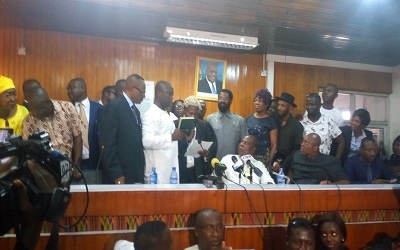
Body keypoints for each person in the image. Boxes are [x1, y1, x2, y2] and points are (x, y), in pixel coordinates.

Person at [22, 87, 83, 180]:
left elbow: (78, 137)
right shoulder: (28, 121)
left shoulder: (68, 108)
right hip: (46, 168)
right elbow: (28, 150)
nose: (35, 112)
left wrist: (76, 166)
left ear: (47, 102)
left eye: (37, 108)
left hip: (68, 162)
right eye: (32, 108)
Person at [101, 74, 146, 184]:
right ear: (132, 88)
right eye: (142, 91)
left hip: (134, 172)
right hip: (120, 174)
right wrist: (116, 174)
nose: (144, 96)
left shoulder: (135, 111)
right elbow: (108, 144)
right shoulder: (114, 107)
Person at [142, 81, 185, 184]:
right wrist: (171, 137)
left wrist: (183, 136)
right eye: (169, 93)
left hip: (169, 171)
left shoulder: (166, 115)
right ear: (159, 93)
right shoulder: (150, 114)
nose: (172, 97)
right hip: (156, 175)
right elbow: (146, 142)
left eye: (172, 94)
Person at [67, 78, 103, 184]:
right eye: (67, 89)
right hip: (73, 163)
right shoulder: (67, 109)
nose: (69, 91)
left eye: (71, 88)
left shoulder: (99, 109)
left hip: (95, 162)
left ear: (82, 88)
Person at [176, 95, 217, 183]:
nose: (193, 117)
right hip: (180, 169)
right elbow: (171, 146)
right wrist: (186, 141)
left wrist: (207, 152)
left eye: (195, 114)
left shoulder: (204, 126)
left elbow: (213, 144)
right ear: (184, 110)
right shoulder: (175, 125)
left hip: (197, 171)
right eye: (190, 113)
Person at [301, 93, 345, 160]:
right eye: (308, 104)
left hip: (324, 163)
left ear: (319, 105)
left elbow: (341, 141)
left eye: (312, 105)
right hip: (304, 162)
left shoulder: (328, 122)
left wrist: (336, 160)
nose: (309, 107)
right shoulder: (301, 123)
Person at [206, 89, 248, 160]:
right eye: (220, 98)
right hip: (213, 162)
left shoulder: (240, 121)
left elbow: (245, 144)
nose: (222, 101)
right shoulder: (209, 119)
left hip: (233, 163)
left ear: (231, 101)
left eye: (225, 99)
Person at [245, 88, 278, 166]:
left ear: (266, 104)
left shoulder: (271, 121)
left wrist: (269, 162)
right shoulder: (248, 118)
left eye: (260, 101)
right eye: (255, 100)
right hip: (248, 155)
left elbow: (274, 145)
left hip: (263, 158)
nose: (256, 103)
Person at [274, 92, 304, 174]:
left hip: (287, 164)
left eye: (283, 105)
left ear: (290, 108)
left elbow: (296, 149)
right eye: (278, 105)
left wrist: (283, 165)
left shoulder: (297, 126)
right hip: (270, 161)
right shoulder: (273, 120)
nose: (279, 108)